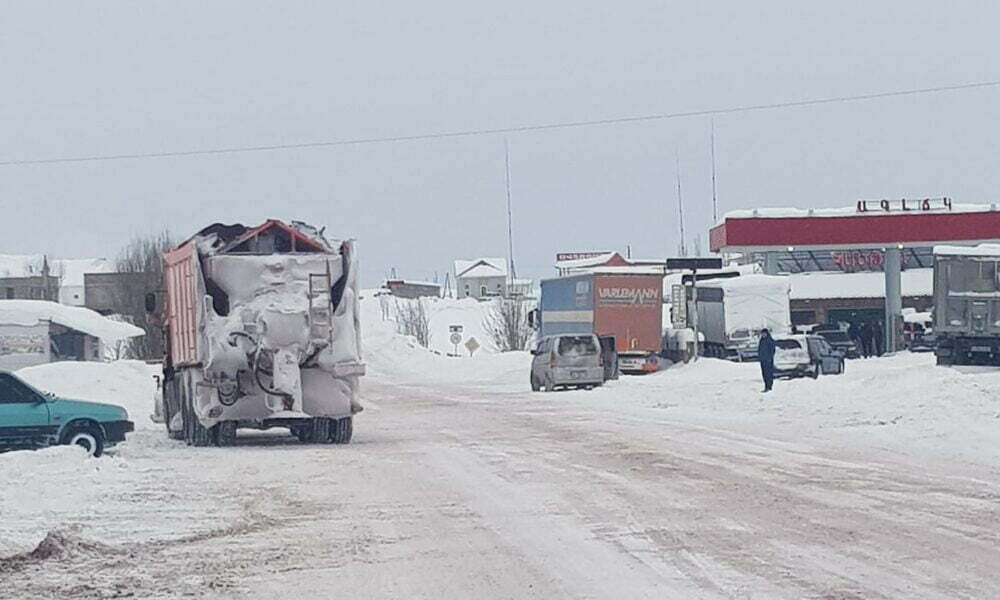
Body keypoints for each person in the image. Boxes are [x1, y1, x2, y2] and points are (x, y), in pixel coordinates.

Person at [757, 328, 776, 392]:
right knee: (764, 373)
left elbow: (772, 350)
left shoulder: (770, 340)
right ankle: (766, 385)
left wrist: (770, 358)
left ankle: (769, 386)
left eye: (764, 333)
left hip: (768, 360)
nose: (763, 335)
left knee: (769, 373)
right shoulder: (761, 341)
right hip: (762, 360)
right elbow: (759, 349)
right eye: (762, 334)